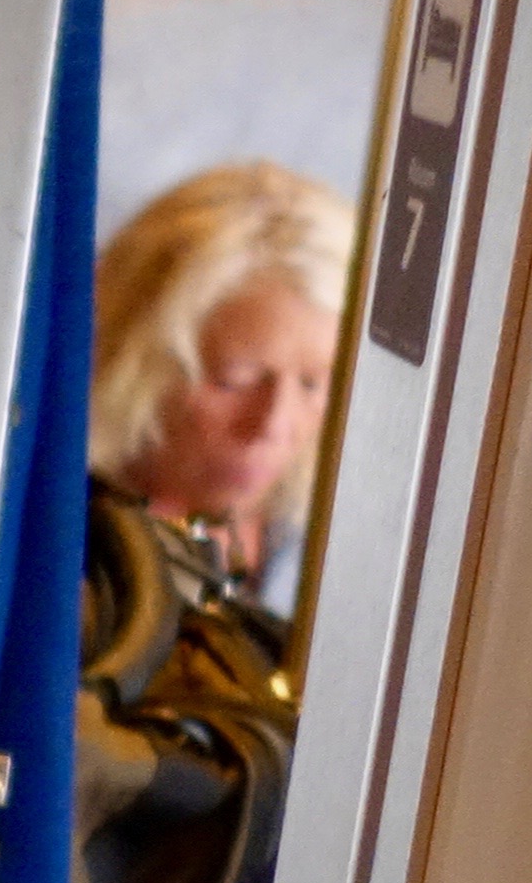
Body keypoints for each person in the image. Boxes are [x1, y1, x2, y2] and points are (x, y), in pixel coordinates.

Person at [88, 158, 353, 600]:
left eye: (313, 384)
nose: (274, 425)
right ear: (136, 364)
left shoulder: (327, 541)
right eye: (234, 381)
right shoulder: (58, 537)